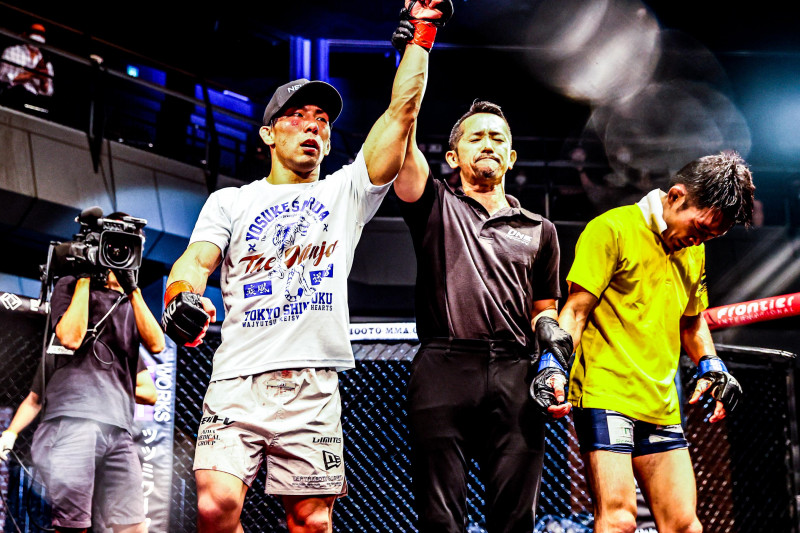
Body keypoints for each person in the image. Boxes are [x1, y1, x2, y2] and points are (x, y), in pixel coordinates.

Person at [159, 2, 452, 531]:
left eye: (321, 120)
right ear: (268, 134)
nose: (311, 126)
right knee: (214, 506)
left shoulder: (346, 192)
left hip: (312, 385)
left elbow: (400, 114)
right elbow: (196, 259)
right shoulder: (232, 201)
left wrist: (421, 36)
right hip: (239, 379)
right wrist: (181, 294)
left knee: (312, 522)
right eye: (296, 117)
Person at [392, 96, 575, 529]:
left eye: (497, 138)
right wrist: (412, 73)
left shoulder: (540, 229)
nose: (488, 144)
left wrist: (551, 349)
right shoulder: (434, 202)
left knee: (515, 520)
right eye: (475, 138)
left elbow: (543, 310)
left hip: (516, 372)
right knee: (440, 520)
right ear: (453, 157)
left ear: (511, 157)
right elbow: (401, 138)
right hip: (445, 366)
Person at [556, 151, 755, 533]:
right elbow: (576, 310)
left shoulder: (694, 250)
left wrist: (711, 364)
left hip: (660, 402)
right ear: (676, 196)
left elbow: (692, 322)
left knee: (684, 525)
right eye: (700, 228)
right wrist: (554, 365)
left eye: (711, 236)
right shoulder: (612, 228)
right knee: (618, 521)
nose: (700, 240)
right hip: (605, 393)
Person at [0, 214, 165, 533]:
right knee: (74, 526)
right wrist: (87, 274)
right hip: (73, 421)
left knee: (133, 525)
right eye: (114, 246)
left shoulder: (128, 305)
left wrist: (133, 288)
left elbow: (157, 344)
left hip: (118, 428)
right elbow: (71, 338)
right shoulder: (70, 286)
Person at [0, 22, 54, 115]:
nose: (38, 37)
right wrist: (32, 74)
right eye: (36, 33)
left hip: (34, 103)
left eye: (41, 34)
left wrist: (43, 79)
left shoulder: (46, 62)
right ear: (26, 34)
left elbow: (48, 92)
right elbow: (2, 77)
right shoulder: (12, 51)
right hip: (11, 96)